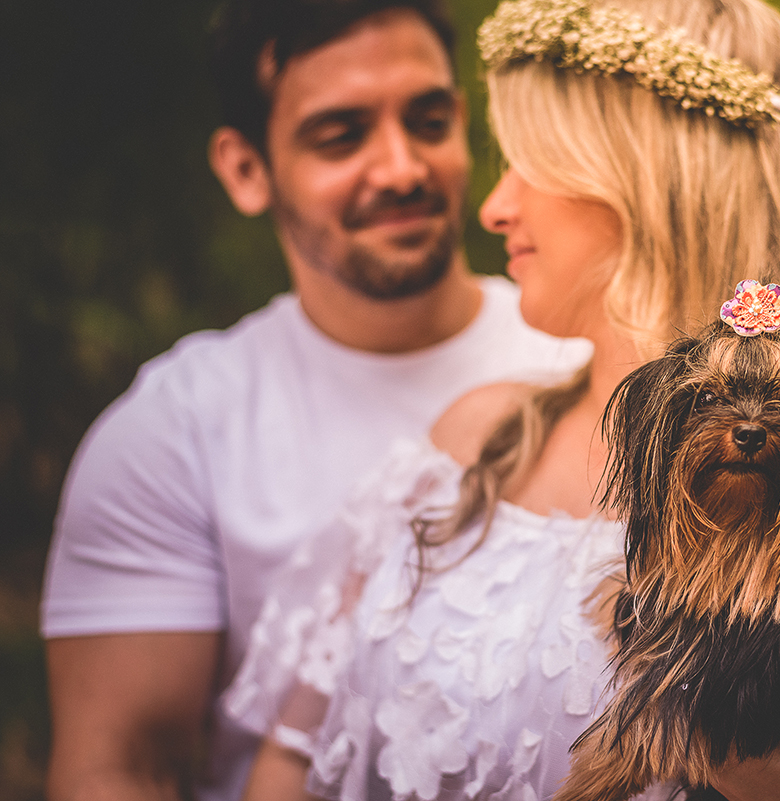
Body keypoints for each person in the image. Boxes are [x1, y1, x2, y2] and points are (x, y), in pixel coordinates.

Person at [224, 0, 780, 800]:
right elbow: (295, 760)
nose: (494, 204)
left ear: (640, 180)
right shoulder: (469, 444)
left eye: (528, 165)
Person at [39, 2, 594, 800]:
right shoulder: (174, 430)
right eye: (341, 135)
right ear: (245, 169)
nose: (402, 168)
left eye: (429, 119)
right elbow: (122, 768)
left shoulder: (591, 364)